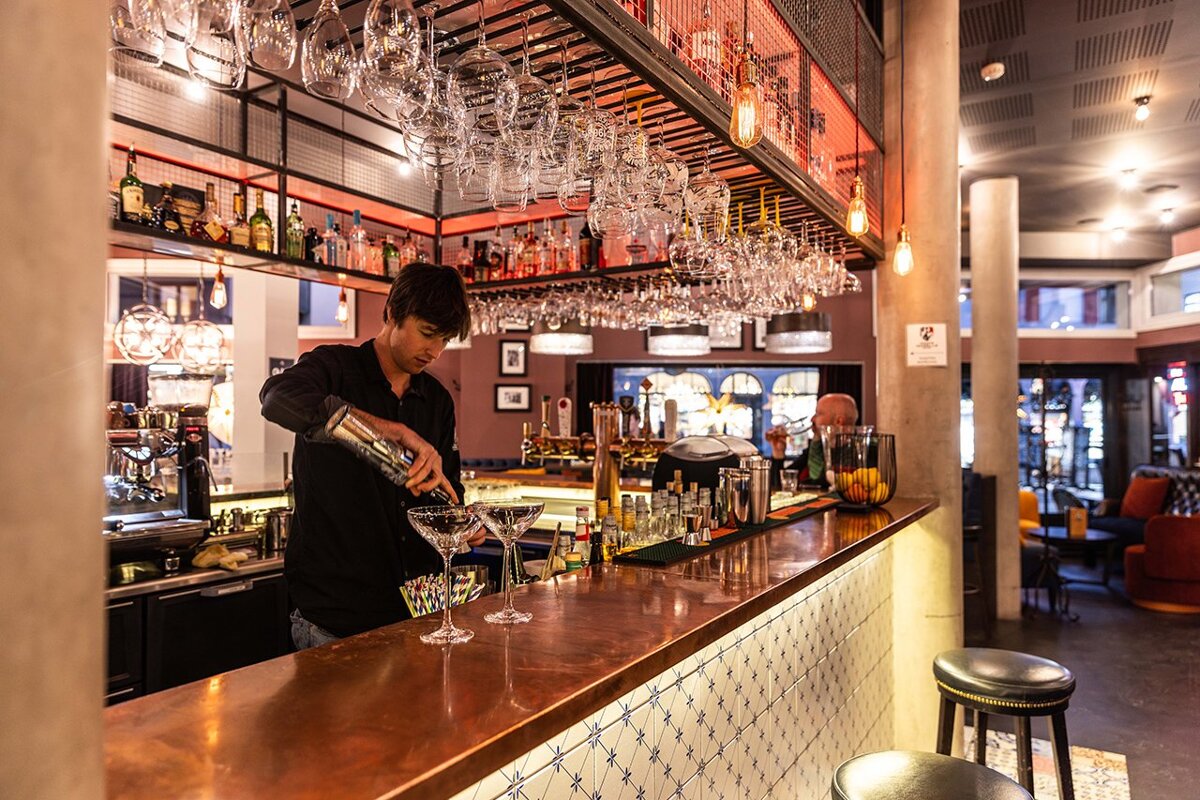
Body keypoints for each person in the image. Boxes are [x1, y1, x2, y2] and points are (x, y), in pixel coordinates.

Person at [260, 263, 483, 649]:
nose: (434, 351)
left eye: (444, 339)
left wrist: (462, 521)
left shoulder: (437, 401)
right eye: (427, 334)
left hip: (417, 615)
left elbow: (444, 491)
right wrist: (384, 428)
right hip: (334, 619)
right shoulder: (333, 368)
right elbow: (277, 399)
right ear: (393, 312)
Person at [765, 393, 859, 488]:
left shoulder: (860, 453)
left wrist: (803, 485)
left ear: (839, 422)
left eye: (818, 414)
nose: (812, 419)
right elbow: (781, 484)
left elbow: (825, 484)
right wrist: (778, 453)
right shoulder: (816, 450)